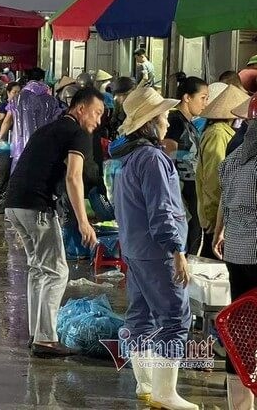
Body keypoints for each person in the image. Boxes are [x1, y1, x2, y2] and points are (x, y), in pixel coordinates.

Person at [110, 86, 197, 409]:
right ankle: (165, 393)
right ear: (149, 122)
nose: (166, 120)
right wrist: (177, 251)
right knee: (175, 319)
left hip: (134, 248)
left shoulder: (129, 158)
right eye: (162, 115)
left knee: (141, 316)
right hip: (157, 251)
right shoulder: (153, 159)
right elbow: (163, 210)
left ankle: (145, 385)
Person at [5, 87, 104, 358]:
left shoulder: (49, 129)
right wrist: (84, 222)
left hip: (15, 204)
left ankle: (38, 335)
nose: (98, 121)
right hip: (35, 206)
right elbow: (74, 177)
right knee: (57, 272)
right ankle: (46, 339)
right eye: (96, 113)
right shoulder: (78, 133)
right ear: (80, 108)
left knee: (39, 270)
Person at [213, 93, 257, 410]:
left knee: (241, 327)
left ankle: (239, 404)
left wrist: (220, 232)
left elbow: (226, 203)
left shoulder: (234, 158)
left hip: (236, 253)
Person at [196, 86, 250, 259]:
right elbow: (215, 180)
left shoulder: (228, 133)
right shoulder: (218, 134)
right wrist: (215, 223)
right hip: (217, 218)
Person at [163, 76, 209, 256]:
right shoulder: (176, 122)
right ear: (187, 97)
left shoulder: (187, 123)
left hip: (191, 190)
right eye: (203, 97)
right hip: (183, 192)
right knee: (188, 240)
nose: (205, 103)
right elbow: (167, 157)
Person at [0, 67, 63, 171]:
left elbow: (7, 121)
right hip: (44, 146)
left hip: (21, 148)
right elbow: (56, 123)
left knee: (20, 175)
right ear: (42, 80)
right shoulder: (52, 101)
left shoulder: (17, 98)